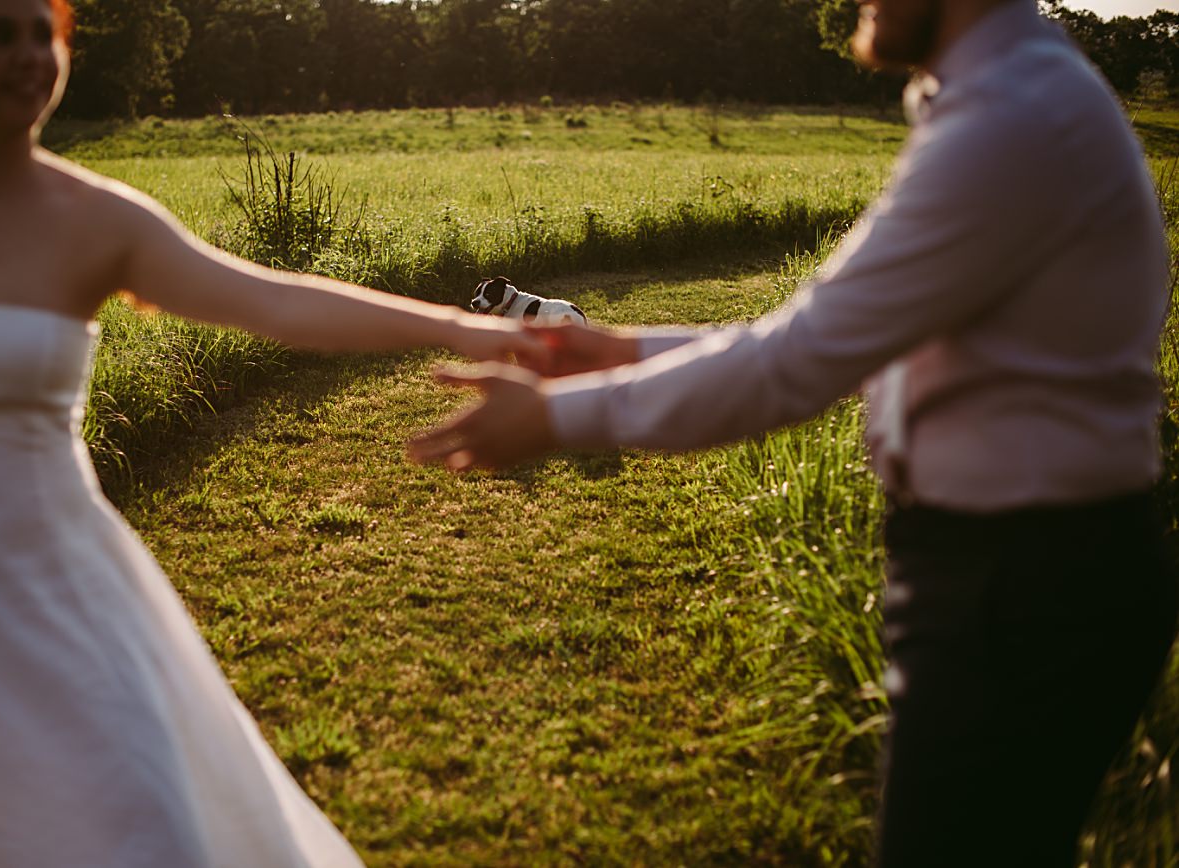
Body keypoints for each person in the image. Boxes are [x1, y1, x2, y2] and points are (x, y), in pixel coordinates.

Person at [411, 0, 1179, 863]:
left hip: (1025, 589)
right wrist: (614, 349)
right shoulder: (1011, 100)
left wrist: (555, 417)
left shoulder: (1010, 122)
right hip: (1027, 572)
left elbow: (796, 363)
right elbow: (831, 338)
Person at [0, 1, 546, 865]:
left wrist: (456, 327)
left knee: (124, 819)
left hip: (53, 580)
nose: (28, 57)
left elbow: (271, 300)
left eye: (43, 33)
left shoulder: (98, 220)